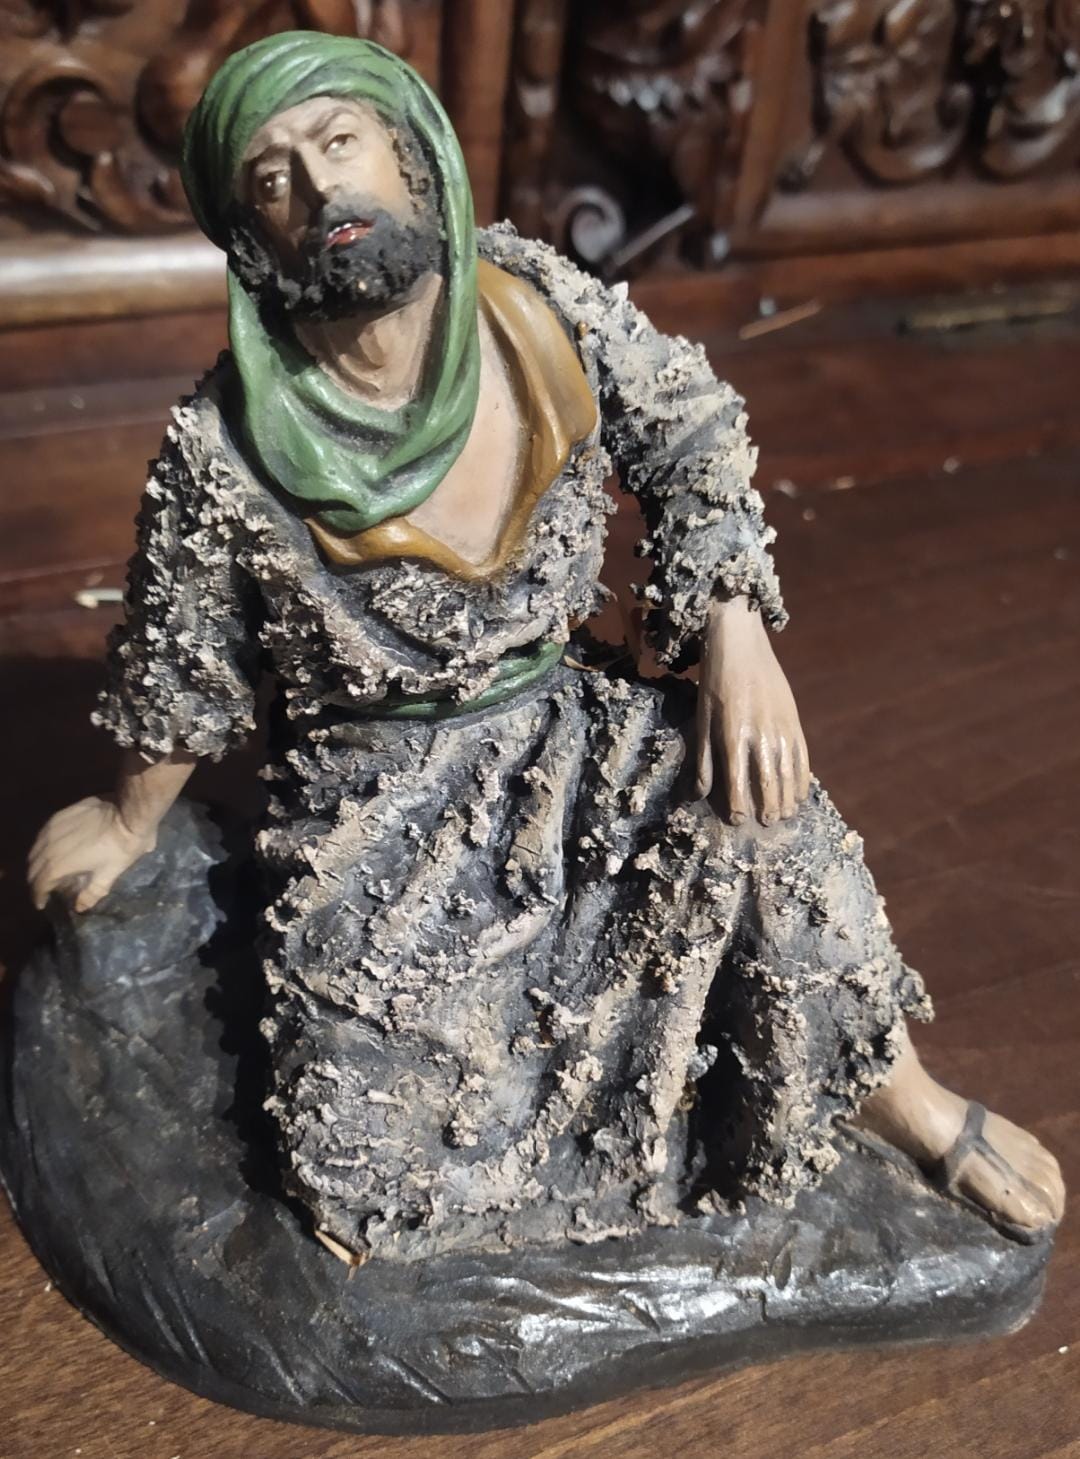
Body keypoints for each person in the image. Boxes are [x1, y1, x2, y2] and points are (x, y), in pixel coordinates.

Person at [28, 33, 1062, 1259]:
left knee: (767, 820)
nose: (320, 188)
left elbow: (688, 430)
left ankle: (906, 1103)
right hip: (383, 815)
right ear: (250, 235)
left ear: (411, 157)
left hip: (577, 733)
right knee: (374, 1163)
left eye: (341, 141)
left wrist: (735, 634)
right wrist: (128, 819)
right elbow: (182, 659)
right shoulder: (227, 446)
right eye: (272, 177)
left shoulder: (535, 309)